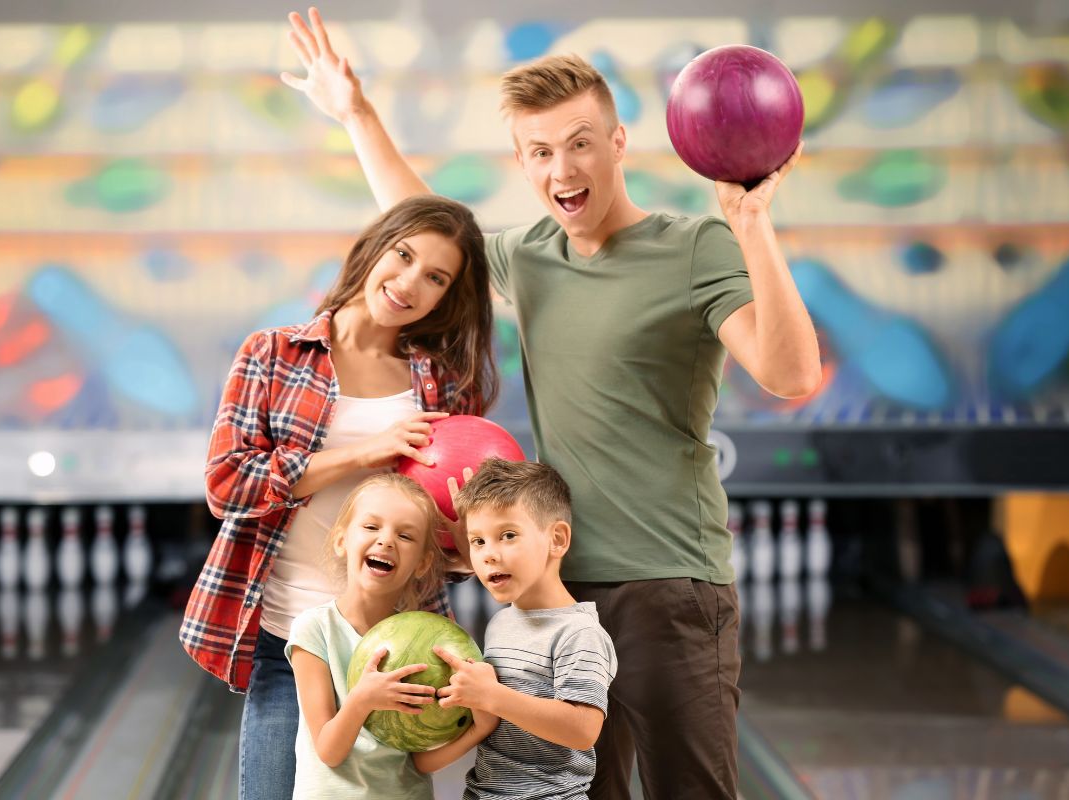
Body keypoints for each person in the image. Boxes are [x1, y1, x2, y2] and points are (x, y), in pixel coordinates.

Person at [281, 9, 821, 798]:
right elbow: (428, 223)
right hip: (551, 594)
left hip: (671, 585)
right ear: (523, 162)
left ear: (616, 144)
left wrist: (750, 220)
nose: (562, 167)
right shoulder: (529, 257)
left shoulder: (694, 245)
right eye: (540, 151)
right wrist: (355, 112)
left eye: (579, 143)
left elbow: (791, 373)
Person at [180, 194, 498, 800]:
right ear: (375, 246)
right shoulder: (271, 353)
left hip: (398, 642)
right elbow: (227, 486)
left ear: (446, 297)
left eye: (435, 277)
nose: (409, 283)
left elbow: (450, 545)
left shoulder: (441, 382)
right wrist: (362, 452)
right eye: (403, 256)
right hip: (288, 634)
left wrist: (468, 543)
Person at [286, 472, 499, 799]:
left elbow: (420, 762)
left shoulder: (427, 642)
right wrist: (363, 699)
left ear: (423, 563)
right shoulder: (315, 629)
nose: (386, 540)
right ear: (342, 541)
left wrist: (480, 728)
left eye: (405, 536)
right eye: (371, 527)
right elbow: (329, 750)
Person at [427, 457, 617, 800]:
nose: (488, 554)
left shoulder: (578, 634)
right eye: (478, 541)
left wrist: (492, 696)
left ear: (557, 539)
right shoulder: (502, 622)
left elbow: (583, 730)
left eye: (508, 535)